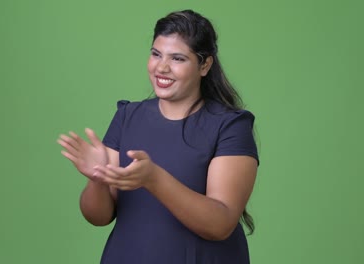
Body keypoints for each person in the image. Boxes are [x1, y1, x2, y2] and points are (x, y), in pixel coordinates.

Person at [58, 9, 259, 264]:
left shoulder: (230, 125)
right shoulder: (127, 116)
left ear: (205, 65)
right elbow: (98, 217)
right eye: (156, 54)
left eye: (177, 58)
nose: (162, 67)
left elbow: (220, 224)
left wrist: (154, 178)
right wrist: (97, 178)